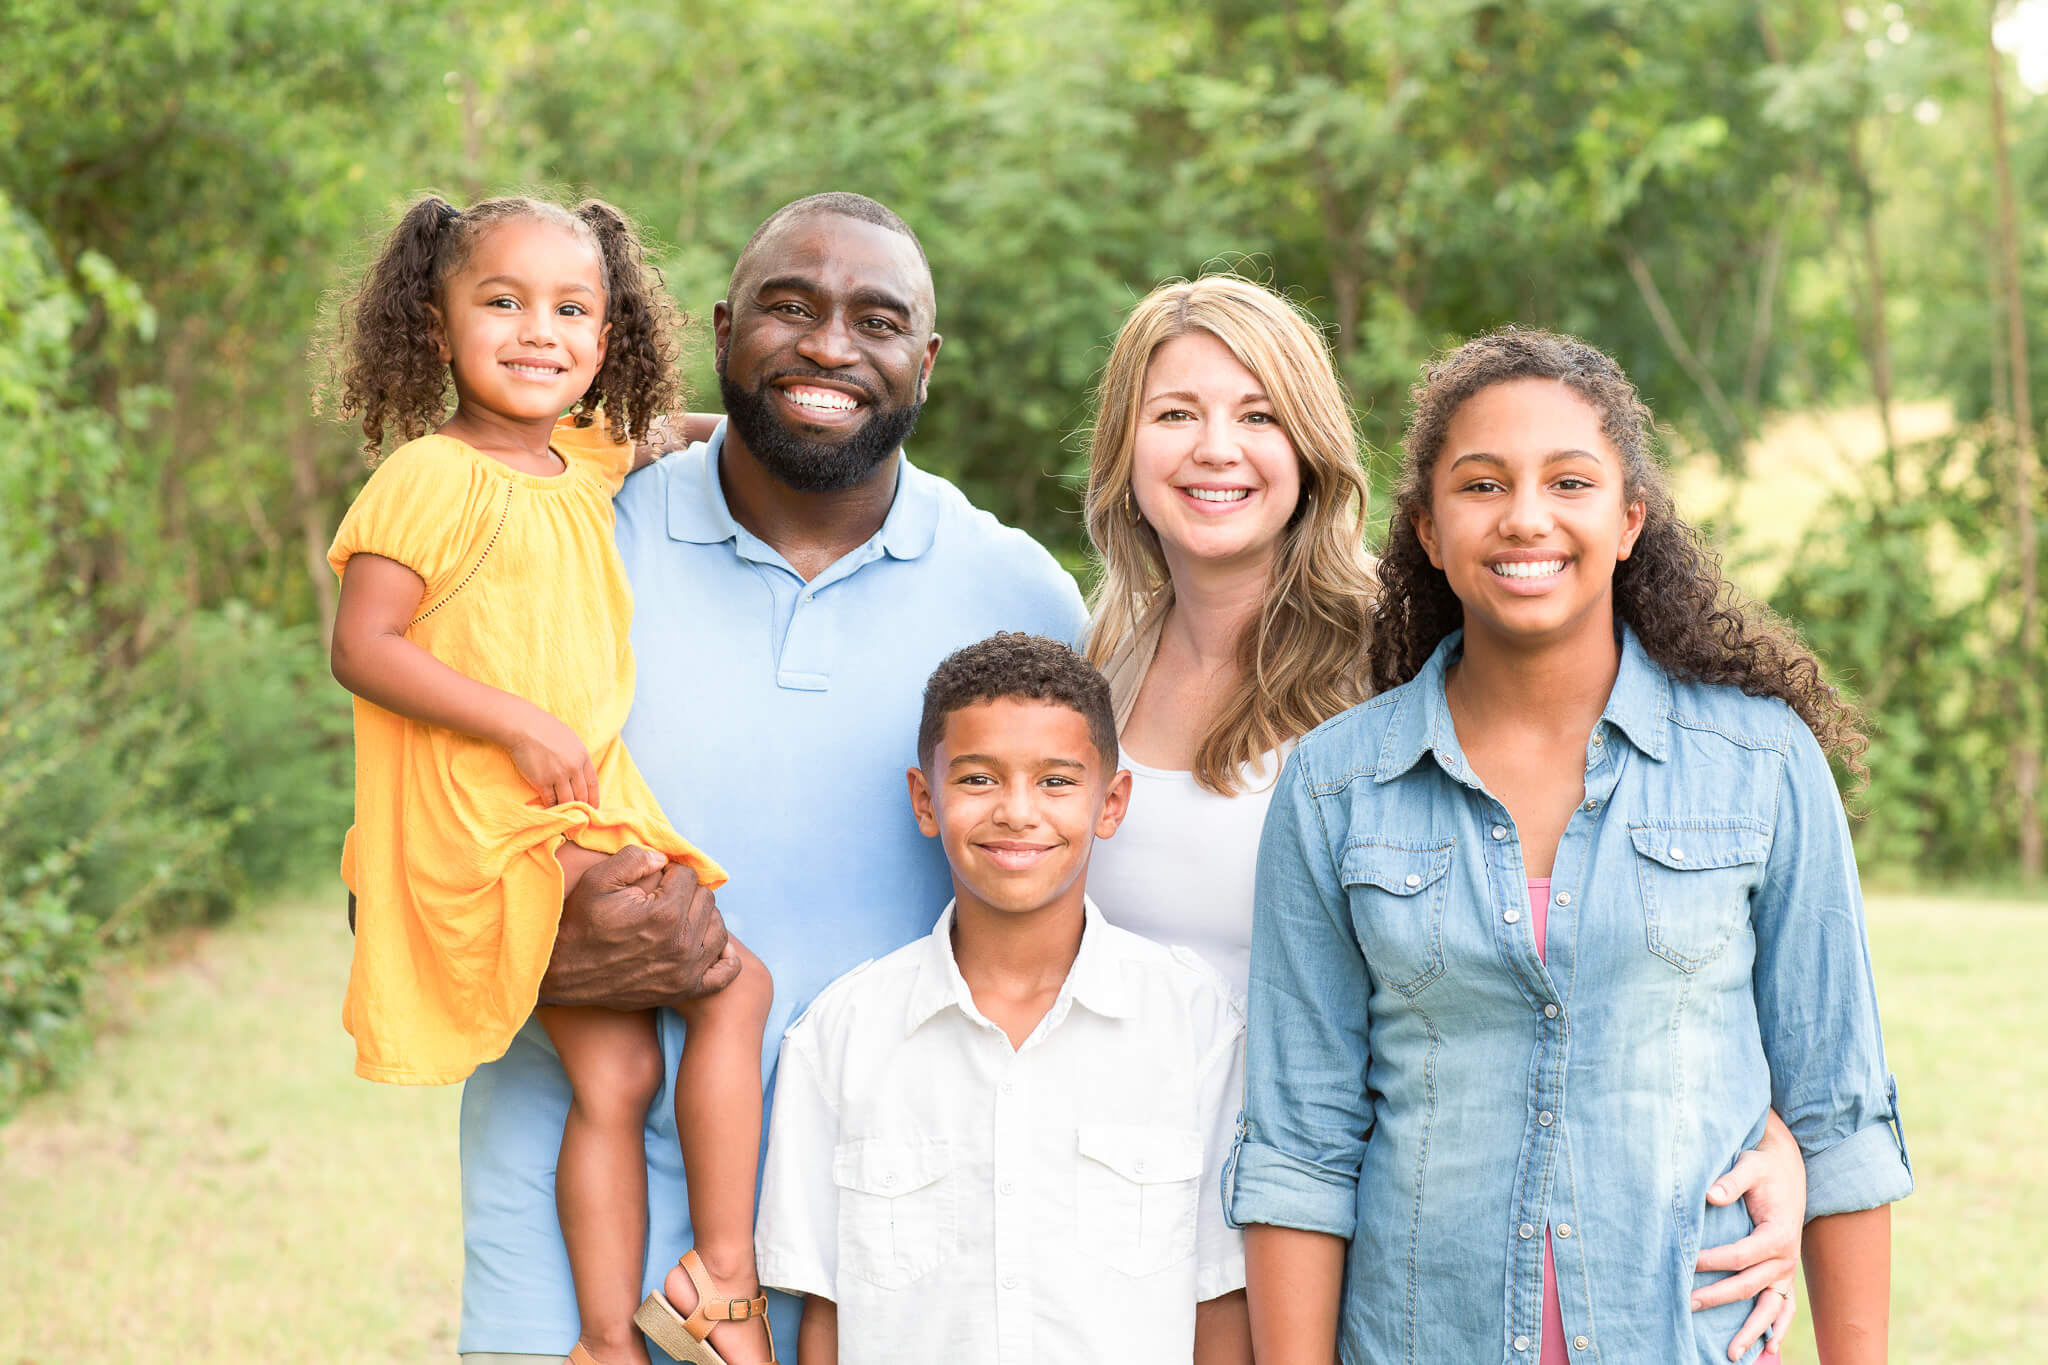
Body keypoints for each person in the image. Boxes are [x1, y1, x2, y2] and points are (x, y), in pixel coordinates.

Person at [1080, 277, 1805, 1358]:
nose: (1213, 448)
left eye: (1257, 412)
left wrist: (1771, 1138)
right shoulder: (1090, 657)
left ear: (1313, 446)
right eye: (1174, 413)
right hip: (1113, 1193)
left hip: (1352, 1232)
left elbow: (1617, 922)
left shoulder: (1402, 664)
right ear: (1123, 449)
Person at [451, 193, 1087, 1364]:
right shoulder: (570, 536)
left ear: (926, 361)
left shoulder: (1022, 597)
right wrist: (541, 944)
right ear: (723, 324)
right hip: (571, 1246)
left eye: (876, 319)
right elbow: (392, 874)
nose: (830, 346)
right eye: (789, 307)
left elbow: (1082, 928)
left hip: (898, 1255)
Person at [1231, 328, 1913, 1363]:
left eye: (1569, 481)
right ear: (1423, 527)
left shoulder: (1758, 764)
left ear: (1628, 518)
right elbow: (1300, 1149)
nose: (1525, 518)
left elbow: (1839, 1116)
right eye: (1480, 485)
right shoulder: (1334, 789)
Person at [325, 193, 774, 1365]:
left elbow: (664, 432)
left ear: (608, 334)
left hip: (570, 807)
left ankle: (602, 1338)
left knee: (620, 1072)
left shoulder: (576, 460)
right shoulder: (428, 473)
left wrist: (757, 417)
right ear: (435, 327)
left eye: (573, 309)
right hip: (502, 818)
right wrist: (515, 721)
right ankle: (722, 1286)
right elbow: (362, 646)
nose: (541, 332)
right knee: (736, 987)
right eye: (504, 303)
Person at [754, 633, 1247, 1364]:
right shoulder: (840, 1036)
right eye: (979, 779)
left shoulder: (1196, 1026)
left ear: (1111, 803)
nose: (1018, 811)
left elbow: (1222, 1301)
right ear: (926, 800)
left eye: (1056, 781)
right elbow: (825, 1316)